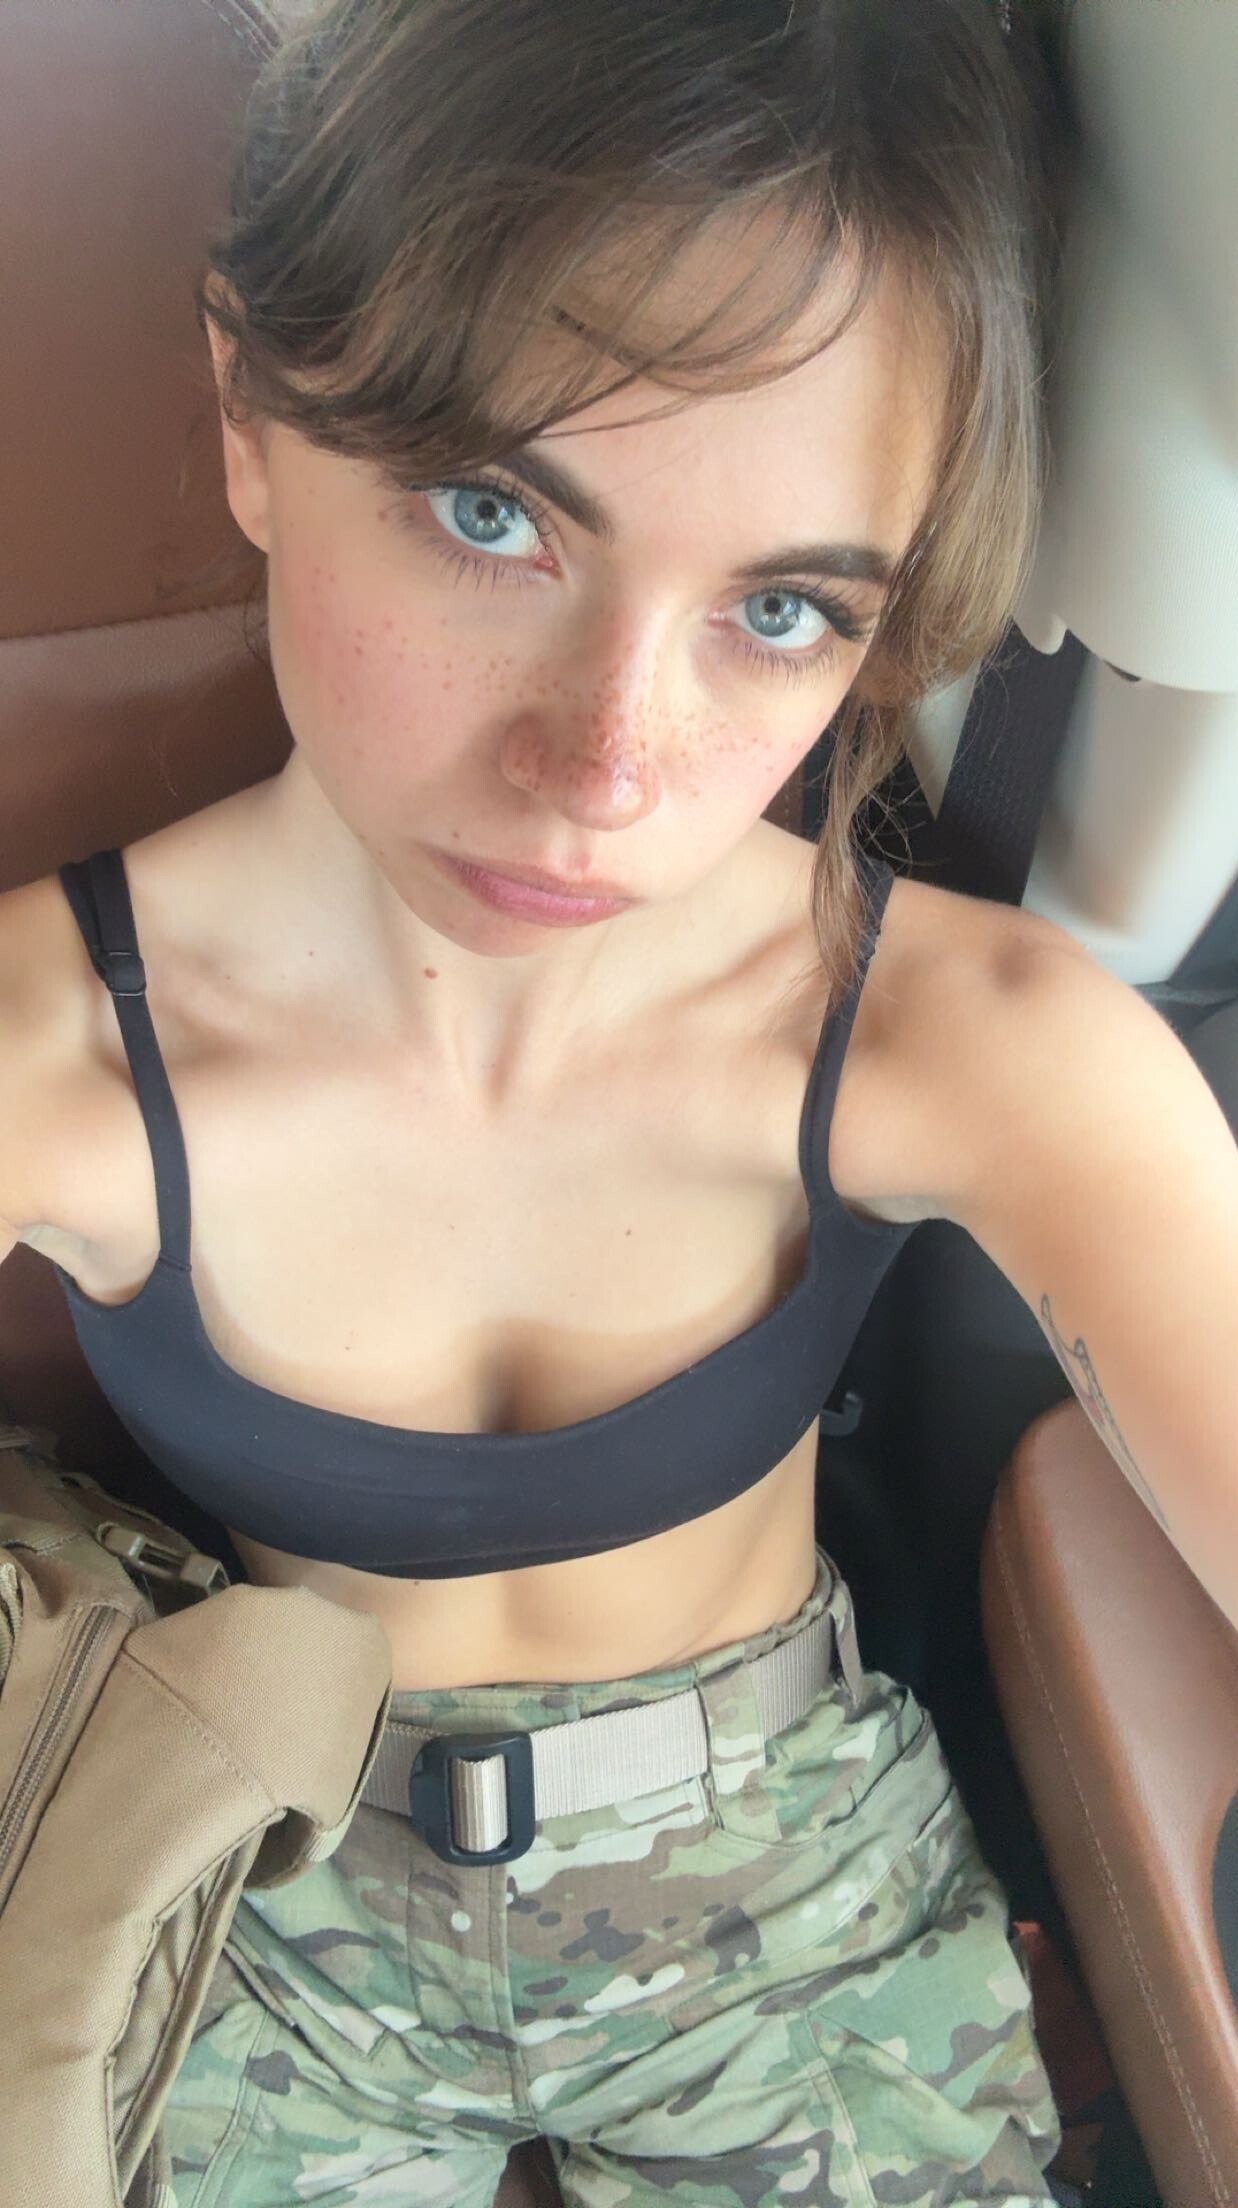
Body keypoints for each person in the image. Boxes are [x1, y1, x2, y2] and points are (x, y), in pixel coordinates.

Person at [2, 1, 1082, 2200]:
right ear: (249, 411)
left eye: (781, 610)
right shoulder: (53, 1049)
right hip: (256, 1892)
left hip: (796, 1902)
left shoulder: (954, 1032)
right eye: (491, 513)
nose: (606, 773)